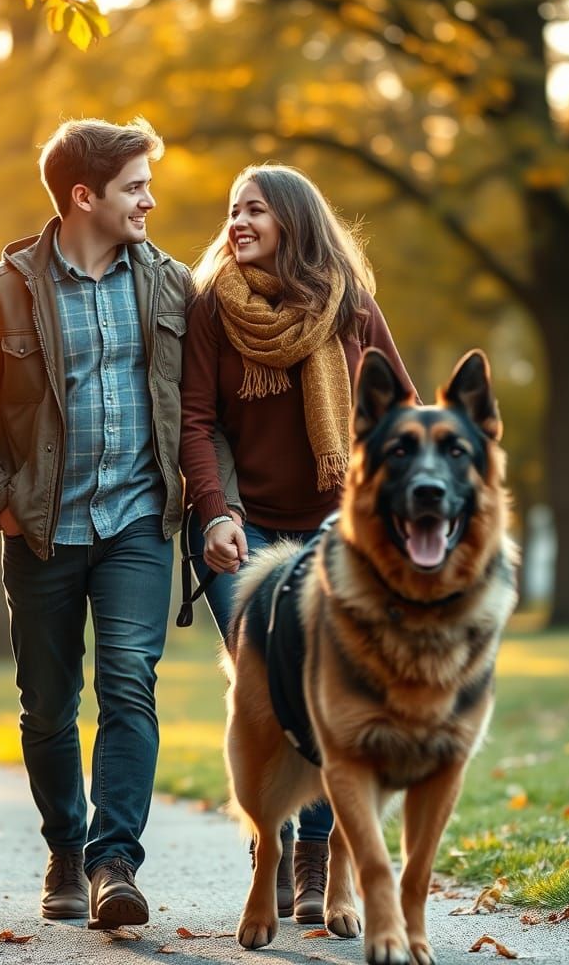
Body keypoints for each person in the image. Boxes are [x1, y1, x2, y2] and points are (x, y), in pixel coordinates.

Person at [0, 117, 238, 931]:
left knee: (130, 684)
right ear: (84, 196)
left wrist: (216, 509)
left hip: (138, 521)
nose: (150, 199)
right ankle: (65, 849)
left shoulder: (172, 286)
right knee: (47, 703)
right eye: (135, 186)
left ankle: (113, 863)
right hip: (42, 531)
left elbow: (202, 413)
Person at [179, 163, 416, 925]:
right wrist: (216, 512)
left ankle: (316, 867)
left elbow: (400, 410)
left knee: (328, 697)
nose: (238, 222)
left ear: (294, 220)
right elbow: (195, 420)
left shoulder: (350, 307)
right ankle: (269, 844)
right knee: (262, 693)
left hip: (333, 531)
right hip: (239, 531)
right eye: (232, 210)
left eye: (254, 210)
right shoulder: (213, 309)